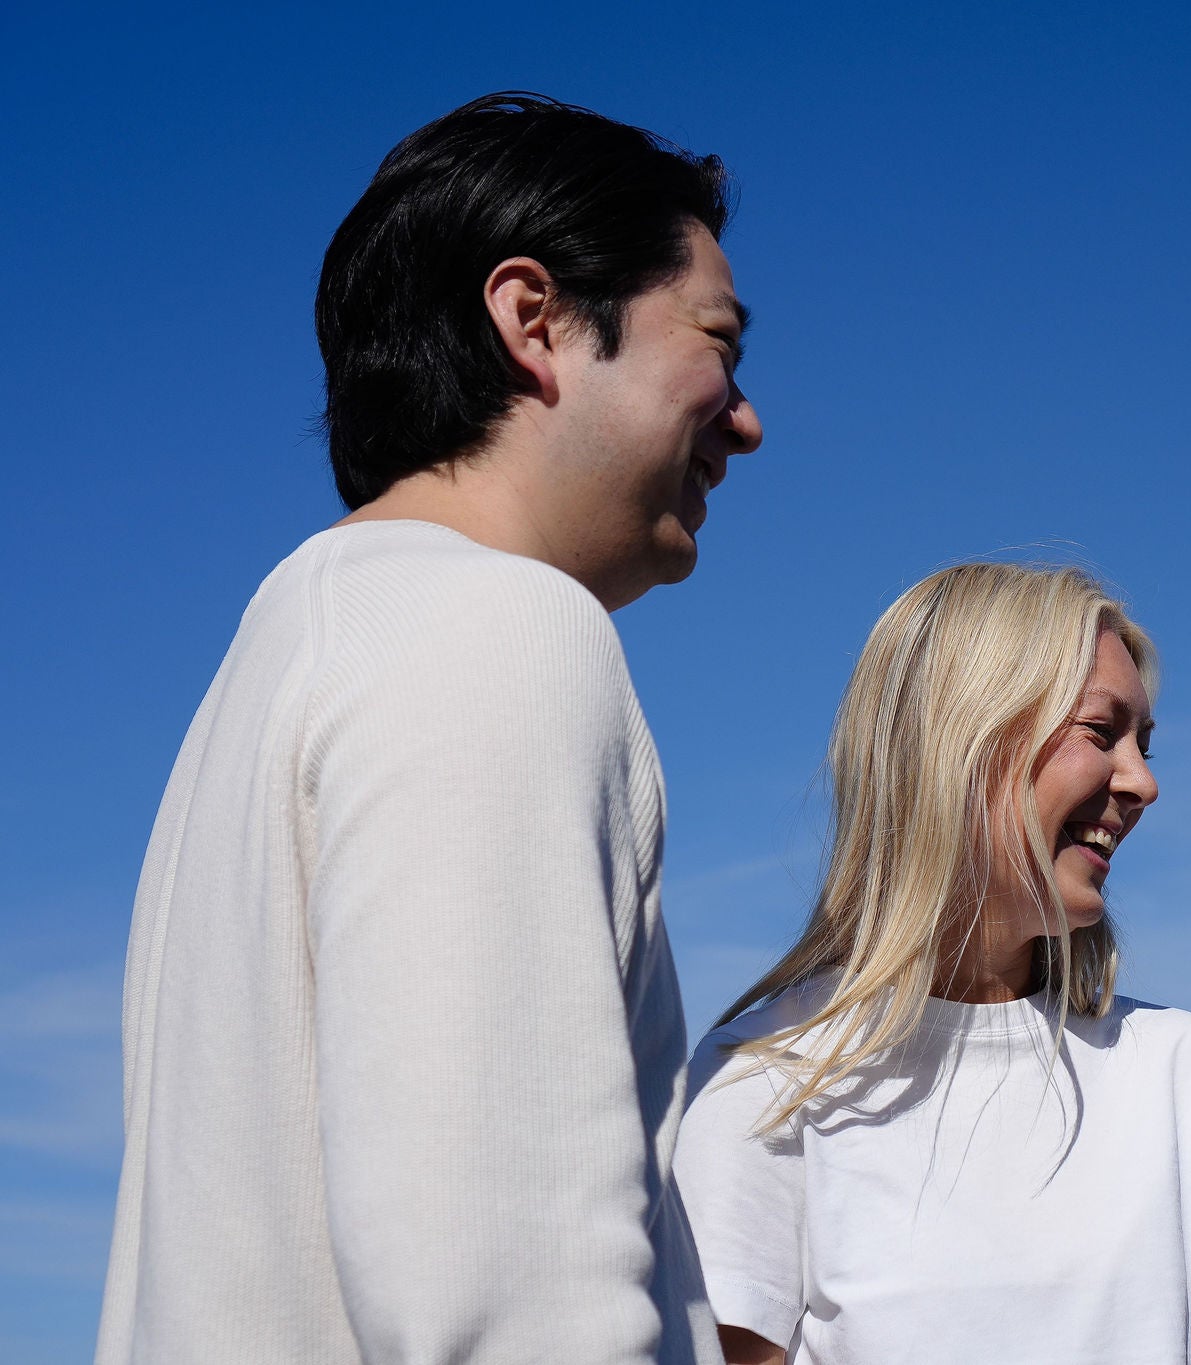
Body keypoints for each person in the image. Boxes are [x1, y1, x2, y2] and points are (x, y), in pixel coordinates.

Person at [97, 93, 762, 1364]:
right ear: (535, 321)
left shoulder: (288, 645)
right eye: (717, 344)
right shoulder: (497, 630)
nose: (745, 418)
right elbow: (513, 1296)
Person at [675, 563, 1191, 1365]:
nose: (1143, 782)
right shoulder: (763, 1081)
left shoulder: (1184, 1068)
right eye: (1099, 731)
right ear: (965, 739)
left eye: (1143, 745)